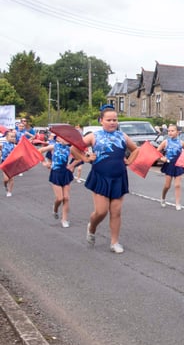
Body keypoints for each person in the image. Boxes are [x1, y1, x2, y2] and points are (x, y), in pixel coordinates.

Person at [71, 105, 139, 254]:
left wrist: (129, 161)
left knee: (116, 212)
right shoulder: (93, 136)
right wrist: (86, 158)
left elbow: (136, 149)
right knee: (101, 212)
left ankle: (114, 242)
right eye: (109, 120)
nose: (112, 122)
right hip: (100, 177)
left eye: (115, 119)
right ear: (101, 121)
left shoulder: (122, 136)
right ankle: (92, 227)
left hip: (119, 177)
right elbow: (74, 148)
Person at [39, 134, 77, 228]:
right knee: (59, 198)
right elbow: (39, 151)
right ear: (59, 138)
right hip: (56, 173)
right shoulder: (54, 146)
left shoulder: (70, 148)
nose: (66, 139)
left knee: (66, 198)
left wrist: (71, 166)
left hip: (66, 173)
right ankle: (55, 209)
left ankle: (64, 219)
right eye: (64, 137)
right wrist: (44, 163)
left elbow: (79, 158)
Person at [156, 124, 184, 211]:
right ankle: (163, 197)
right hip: (169, 164)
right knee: (167, 185)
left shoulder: (181, 143)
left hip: (178, 164)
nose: (170, 132)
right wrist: (161, 158)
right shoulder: (166, 142)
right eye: (169, 131)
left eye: (172, 131)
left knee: (177, 185)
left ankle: (177, 203)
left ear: (177, 132)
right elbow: (156, 152)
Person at [1, 130, 17, 197]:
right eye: (11, 137)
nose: (13, 138)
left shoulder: (15, 146)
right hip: (4, 162)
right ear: (7, 138)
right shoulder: (2, 144)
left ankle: (9, 191)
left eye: (14, 137)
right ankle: (5, 185)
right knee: (6, 179)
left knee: (11, 178)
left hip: (12, 163)